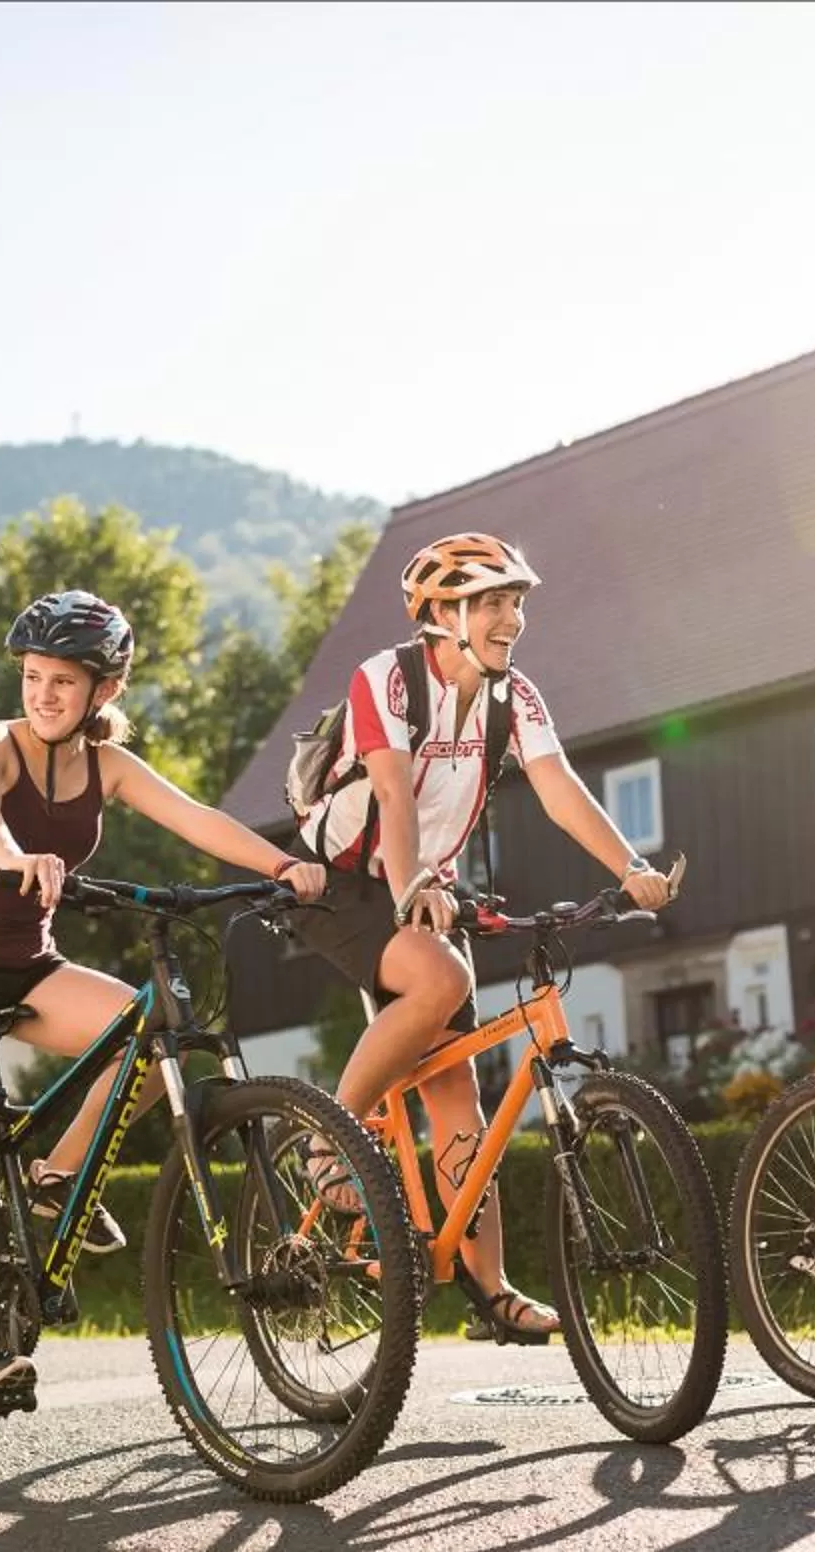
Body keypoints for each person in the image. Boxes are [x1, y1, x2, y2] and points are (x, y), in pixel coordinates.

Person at [0, 588, 327, 1418]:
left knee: (143, 1024)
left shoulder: (108, 766)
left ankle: (56, 1181)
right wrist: (19, 855)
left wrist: (281, 867)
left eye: (63, 681)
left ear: (105, 691)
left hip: (28, 964)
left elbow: (196, 819)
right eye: (32, 676)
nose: (42, 694)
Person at [284, 532, 675, 1345]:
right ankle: (329, 1139)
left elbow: (559, 788)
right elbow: (391, 793)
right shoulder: (386, 680)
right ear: (440, 615)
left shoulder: (514, 697)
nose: (513, 619)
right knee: (443, 981)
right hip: (349, 882)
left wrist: (631, 866)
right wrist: (414, 886)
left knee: (457, 1096)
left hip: (423, 888)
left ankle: (491, 1291)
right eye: (493, 602)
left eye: (517, 602)